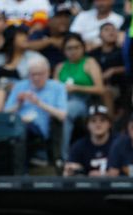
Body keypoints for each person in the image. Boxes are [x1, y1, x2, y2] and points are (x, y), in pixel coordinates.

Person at [55, 32, 105, 161]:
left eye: (77, 47)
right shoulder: (60, 67)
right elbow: (53, 90)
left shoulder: (89, 63)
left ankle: (64, 157)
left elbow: (100, 89)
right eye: (69, 48)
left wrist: (77, 87)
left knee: (67, 111)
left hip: (84, 101)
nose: (73, 51)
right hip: (62, 100)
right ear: (64, 51)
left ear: (83, 48)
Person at [64, 104, 115, 177]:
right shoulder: (79, 146)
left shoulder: (119, 144)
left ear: (109, 124)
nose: (98, 124)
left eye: (102, 120)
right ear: (87, 125)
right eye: (93, 121)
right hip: (86, 187)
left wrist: (104, 174)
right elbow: (68, 171)